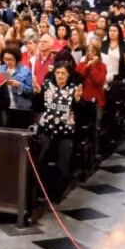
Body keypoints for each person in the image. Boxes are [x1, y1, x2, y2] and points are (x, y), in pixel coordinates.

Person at [34, 62, 82, 202]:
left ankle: (56, 195)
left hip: (65, 132)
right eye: (58, 73)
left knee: (63, 164)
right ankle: (40, 192)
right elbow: (37, 107)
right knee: (41, 161)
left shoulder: (74, 88)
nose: (60, 76)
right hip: (46, 130)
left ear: (69, 75)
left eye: (63, 73)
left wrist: (78, 101)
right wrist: (37, 93)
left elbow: (80, 112)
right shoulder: (47, 85)